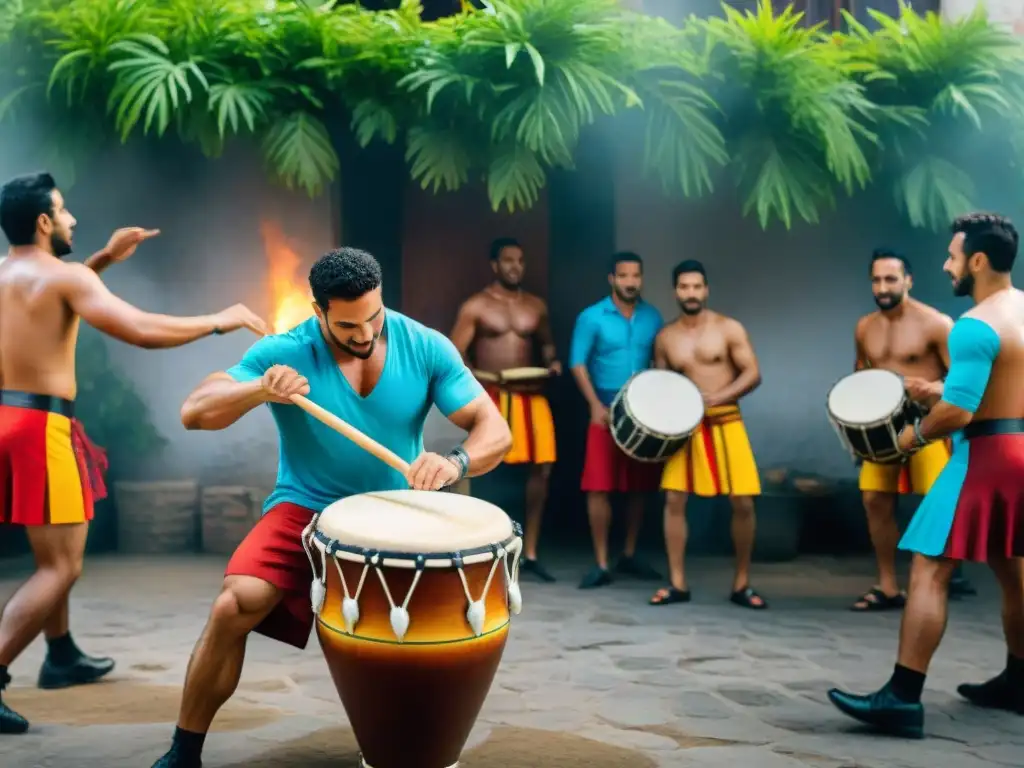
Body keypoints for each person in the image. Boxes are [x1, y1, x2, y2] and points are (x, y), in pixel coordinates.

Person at [150, 246, 511, 768]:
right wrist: (258, 389)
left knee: (419, 632)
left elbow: (493, 430)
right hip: (305, 507)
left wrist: (455, 462)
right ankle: (183, 751)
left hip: (393, 510)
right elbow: (194, 412)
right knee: (233, 605)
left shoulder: (424, 345)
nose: (365, 334)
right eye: (347, 325)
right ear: (318, 311)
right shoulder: (287, 349)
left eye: (374, 317)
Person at [0, 171, 267, 734]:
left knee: (52, 545)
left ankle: (63, 654)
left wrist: (101, 260)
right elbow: (141, 329)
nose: (73, 219)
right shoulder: (64, 277)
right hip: (39, 428)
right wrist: (221, 320)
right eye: (64, 211)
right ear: (44, 222)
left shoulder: (11, 274)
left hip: (9, 418)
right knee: (61, 564)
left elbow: (54, 298)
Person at [828, 212, 1024, 737]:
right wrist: (939, 388)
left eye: (953, 256)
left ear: (977, 262)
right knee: (1012, 566)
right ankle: (1020, 681)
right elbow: (1000, 381)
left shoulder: (973, 325)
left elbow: (960, 413)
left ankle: (901, 697)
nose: (947, 264)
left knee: (929, 568)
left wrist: (912, 437)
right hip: (1022, 448)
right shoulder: (1022, 311)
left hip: (984, 455)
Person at [851, 249, 975, 612]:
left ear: (909, 280)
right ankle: (887, 586)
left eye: (891, 279)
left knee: (937, 503)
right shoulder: (864, 326)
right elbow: (861, 372)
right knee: (875, 500)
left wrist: (933, 388)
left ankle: (936, 581)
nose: (883, 286)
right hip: (882, 429)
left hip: (928, 425)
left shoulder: (937, 324)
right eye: (876, 279)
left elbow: (964, 380)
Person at [648, 260, 767, 610]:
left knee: (743, 501)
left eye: (697, 286)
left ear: (706, 289)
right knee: (674, 500)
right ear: (676, 291)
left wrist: (716, 397)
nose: (691, 293)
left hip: (727, 421)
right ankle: (677, 582)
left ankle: (742, 583)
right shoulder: (666, 338)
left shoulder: (728, 328)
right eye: (684, 287)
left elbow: (753, 373)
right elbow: (660, 383)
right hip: (686, 430)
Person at [450, 237, 561, 582]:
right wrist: (483, 377)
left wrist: (553, 362)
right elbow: (455, 355)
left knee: (541, 469)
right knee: (484, 468)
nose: (515, 266)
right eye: (508, 260)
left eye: (520, 260)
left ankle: (531, 552)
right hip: (493, 396)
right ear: (494, 265)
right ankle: (481, 548)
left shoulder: (536, 307)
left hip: (532, 397)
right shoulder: (476, 306)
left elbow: (547, 346)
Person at [569, 252, 664, 589]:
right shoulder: (591, 317)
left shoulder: (653, 317)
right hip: (605, 408)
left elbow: (660, 362)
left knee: (639, 486)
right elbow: (577, 363)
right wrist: (594, 404)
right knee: (599, 485)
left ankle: (629, 552)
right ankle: (600, 562)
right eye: (623, 276)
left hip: (642, 411)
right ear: (612, 279)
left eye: (635, 275)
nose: (630, 282)